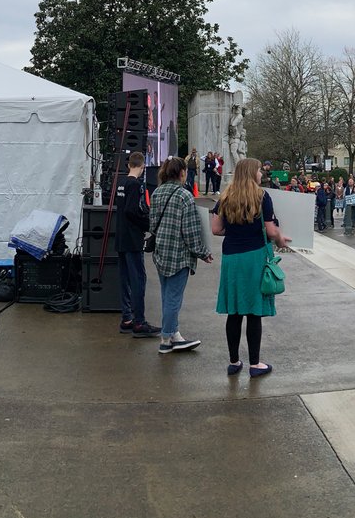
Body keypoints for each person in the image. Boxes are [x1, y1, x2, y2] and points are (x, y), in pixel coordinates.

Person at [211, 157, 292, 378]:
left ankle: (234, 361)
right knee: (254, 311)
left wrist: (236, 231)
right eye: (258, 171)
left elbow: (216, 229)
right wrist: (280, 239)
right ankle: (255, 364)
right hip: (254, 256)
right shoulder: (262, 196)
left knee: (234, 311)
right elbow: (271, 229)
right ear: (250, 172)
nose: (261, 174)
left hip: (231, 258)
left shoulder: (226, 196)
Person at [150, 156, 213, 353]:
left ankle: (174, 333)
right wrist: (203, 252)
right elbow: (191, 231)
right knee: (173, 298)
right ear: (182, 173)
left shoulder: (157, 193)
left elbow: (152, 225)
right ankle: (166, 339)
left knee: (167, 296)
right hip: (179, 255)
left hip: (161, 252)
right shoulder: (184, 196)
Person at [117, 151, 160, 339]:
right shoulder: (135, 185)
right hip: (133, 238)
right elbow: (132, 211)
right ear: (142, 167)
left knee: (125, 278)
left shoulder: (120, 182)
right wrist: (148, 225)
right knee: (138, 279)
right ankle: (139, 321)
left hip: (120, 236)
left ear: (128, 165)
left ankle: (127, 317)